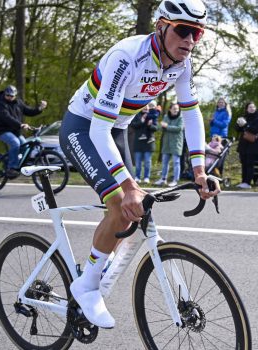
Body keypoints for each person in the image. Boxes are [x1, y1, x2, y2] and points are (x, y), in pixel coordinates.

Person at [58, 0, 216, 329]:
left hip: (116, 129)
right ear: (161, 26)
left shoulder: (182, 65)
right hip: (84, 127)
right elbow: (98, 128)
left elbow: (191, 113)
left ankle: (97, 261)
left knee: (136, 207)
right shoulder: (126, 56)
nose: (189, 40)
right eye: (183, 31)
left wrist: (200, 170)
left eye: (197, 34)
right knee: (120, 203)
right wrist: (127, 185)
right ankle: (86, 287)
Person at [0, 85, 47, 178]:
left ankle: (12, 160)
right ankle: (11, 168)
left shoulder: (18, 103)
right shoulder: (0, 105)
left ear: (15, 96)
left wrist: (40, 108)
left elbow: (29, 111)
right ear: (5, 94)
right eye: (8, 95)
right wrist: (20, 125)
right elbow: (7, 118)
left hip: (14, 130)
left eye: (12, 96)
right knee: (15, 143)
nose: (9, 98)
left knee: (25, 146)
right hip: (2, 130)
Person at [155, 103, 184, 186]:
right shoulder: (166, 117)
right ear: (170, 109)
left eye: (177, 109)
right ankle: (163, 179)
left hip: (176, 143)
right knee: (165, 162)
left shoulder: (181, 118)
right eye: (174, 108)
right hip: (166, 143)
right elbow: (160, 127)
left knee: (176, 162)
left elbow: (179, 128)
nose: (176, 110)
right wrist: (160, 125)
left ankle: (175, 180)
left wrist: (167, 126)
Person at [235, 102, 258, 189]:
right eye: (250, 107)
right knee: (243, 163)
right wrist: (238, 124)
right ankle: (243, 181)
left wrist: (246, 125)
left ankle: (248, 182)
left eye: (253, 107)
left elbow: (255, 130)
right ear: (247, 109)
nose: (252, 108)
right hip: (243, 144)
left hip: (253, 144)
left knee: (249, 163)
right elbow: (238, 129)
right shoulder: (244, 117)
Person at [131, 103, 159, 183]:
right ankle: (137, 177)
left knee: (147, 161)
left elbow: (156, 128)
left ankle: (146, 177)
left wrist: (150, 125)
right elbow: (133, 125)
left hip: (149, 143)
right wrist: (141, 121)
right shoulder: (137, 115)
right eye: (144, 106)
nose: (146, 108)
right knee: (138, 162)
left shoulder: (152, 115)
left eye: (147, 106)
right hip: (138, 143)